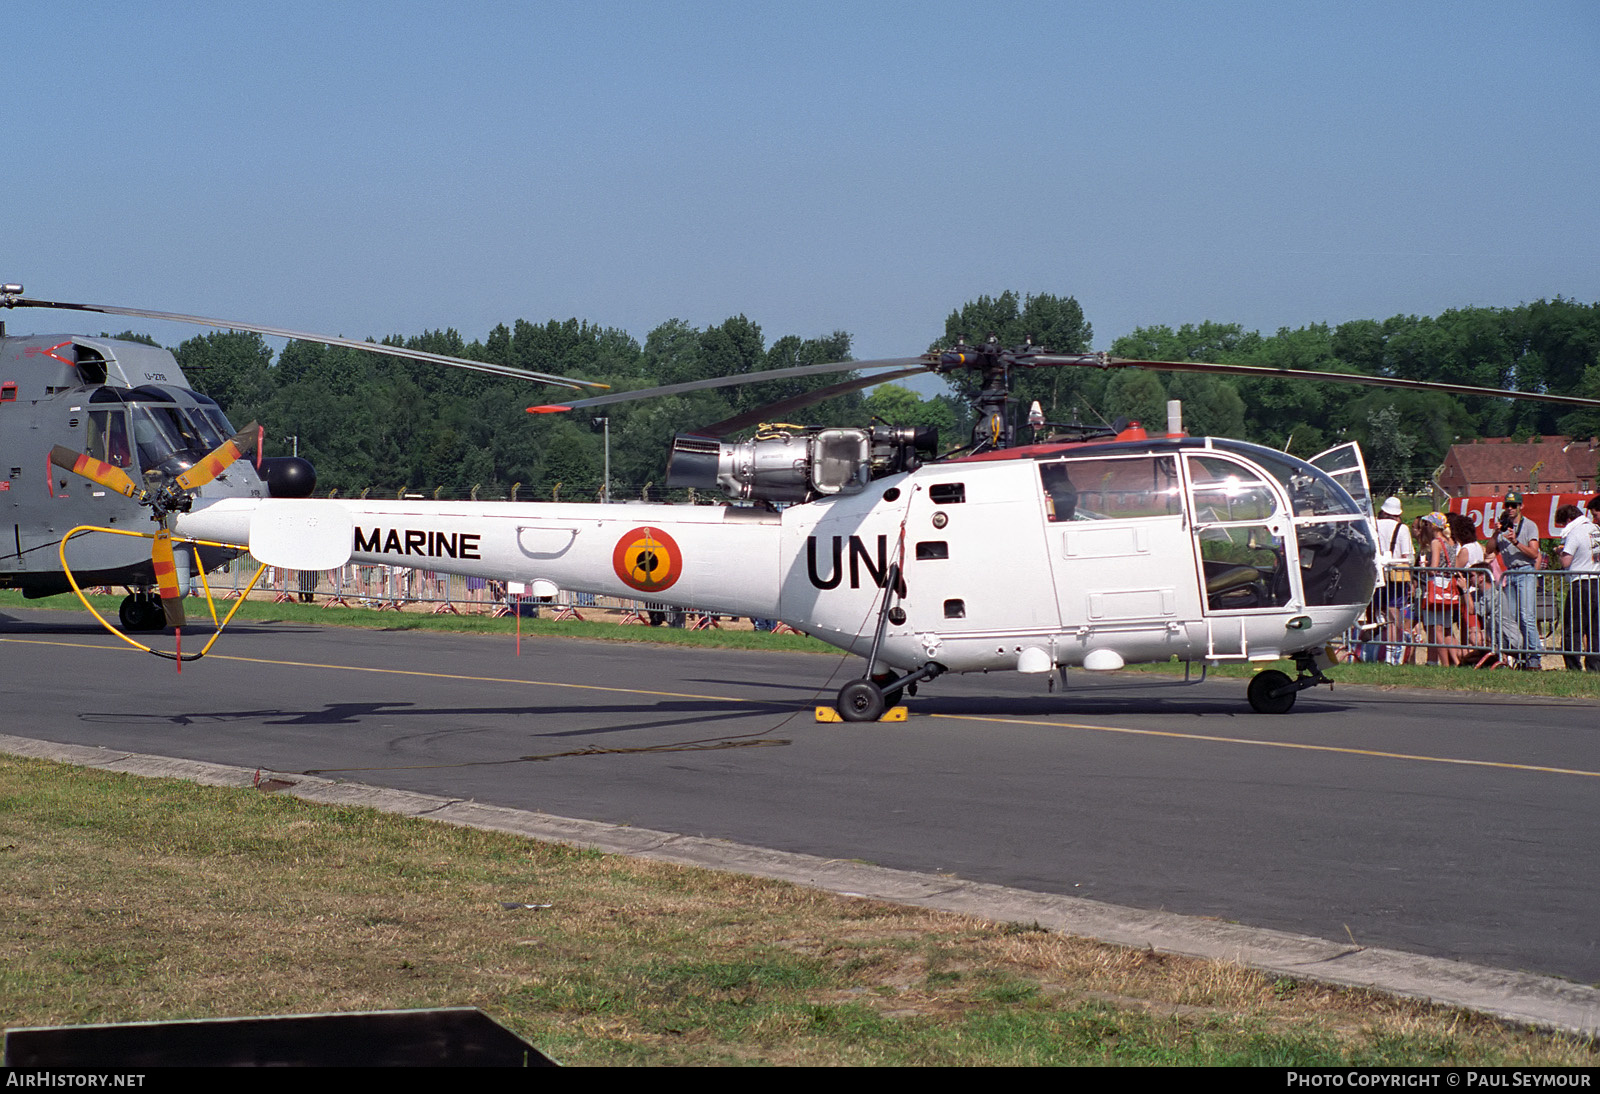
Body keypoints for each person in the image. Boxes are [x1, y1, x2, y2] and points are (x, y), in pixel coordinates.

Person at [1490, 491, 1544, 670]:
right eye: (1508, 505)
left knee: (1526, 615)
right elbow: (1488, 550)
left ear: (1521, 506)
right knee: (1510, 617)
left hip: (1525, 570)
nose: (1510, 508)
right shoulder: (1503, 526)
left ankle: (1535, 657)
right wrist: (1495, 532)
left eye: (1514, 505)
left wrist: (1515, 542)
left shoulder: (1529, 525)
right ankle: (1518, 655)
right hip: (1509, 573)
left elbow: (1534, 553)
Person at [1557, 498, 1600, 671]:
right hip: (1597, 580)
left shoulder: (1575, 532)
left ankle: (1573, 666)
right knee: (1595, 629)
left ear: (1568, 520)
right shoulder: (1596, 529)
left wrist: (1560, 552)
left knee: (1573, 627)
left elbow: (1566, 561)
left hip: (1581, 584)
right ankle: (1594, 666)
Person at [1374, 496, 1414, 665]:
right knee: (1393, 613)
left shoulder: (1373, 525)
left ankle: (1376, 649)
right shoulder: (1402, 528)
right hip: (1396, 575)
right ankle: (1392, 655)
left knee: (1379, 611)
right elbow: (1407, 557)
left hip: (1376, 574)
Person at [1417, 513, 1460, 666]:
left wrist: (1425, 567)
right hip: (1449, 585)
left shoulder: (1436, 542)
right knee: (1447, 628)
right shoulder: (1450, 542)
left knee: (1437, 628)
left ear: (1434, 526)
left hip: (1436, 585)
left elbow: (1434, 568)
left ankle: (1445, 663)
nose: (1426, 527)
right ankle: (1455, 661)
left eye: (1428, 524)